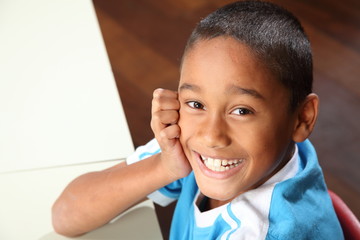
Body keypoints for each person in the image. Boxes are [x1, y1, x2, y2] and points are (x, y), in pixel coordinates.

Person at [52, 1, 344, 239]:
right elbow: (66, 215)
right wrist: (165, 166)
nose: (211, 136)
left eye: (241, 111)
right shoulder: (194, 146)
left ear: (301, 118)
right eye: (196, 103)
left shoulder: (263, 231)